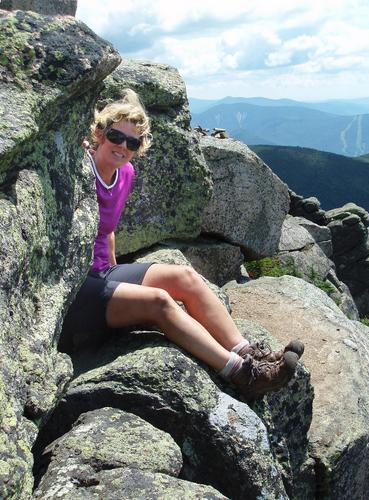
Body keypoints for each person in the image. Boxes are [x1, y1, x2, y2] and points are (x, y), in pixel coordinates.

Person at [62, 88, 304, 399]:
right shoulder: (80, 168)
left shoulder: (125, 174)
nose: (123, 146)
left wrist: (112, 271)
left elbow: (106, 229)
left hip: (99, 276)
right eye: (115, 136)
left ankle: (248, 352)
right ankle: (243, 374)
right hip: (74, 293)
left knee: (184, 276)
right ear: (99, 132)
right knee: (159, 302)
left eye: (132, 142)